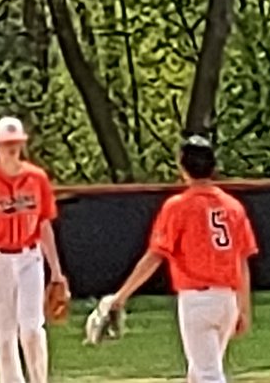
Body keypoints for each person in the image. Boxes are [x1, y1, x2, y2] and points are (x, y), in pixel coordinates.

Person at [108, 134, 260, 383]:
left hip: (198, 301)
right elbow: (242, 260)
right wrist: (243, 307)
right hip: (227, 300)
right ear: (214, 167)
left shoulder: (178, 206)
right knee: (199, 373)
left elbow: (155, 256)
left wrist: (121, 296)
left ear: (182, 166)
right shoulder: (233, 207)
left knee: (208, 374)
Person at [0, 116, 69, 383]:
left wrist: (56, 269)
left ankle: (39, 379)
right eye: (7, 143)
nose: (12, 149)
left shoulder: (37, 178)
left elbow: (44, 225)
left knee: (32, 328)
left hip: (29, 256)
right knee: (4, 333)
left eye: (17, 143)